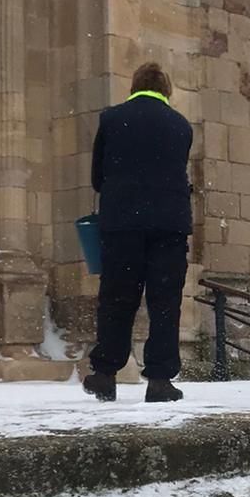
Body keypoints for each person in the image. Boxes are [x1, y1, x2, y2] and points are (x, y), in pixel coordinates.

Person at [84, 62, 193, 403]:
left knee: (117, 298)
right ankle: (160, 379)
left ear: (134, 86)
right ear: (166, 90)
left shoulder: (111, 119)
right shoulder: (181, 126)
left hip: (122, 224)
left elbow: (97, 177)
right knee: (165, 302)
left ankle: (105, 373)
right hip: (169, 226)